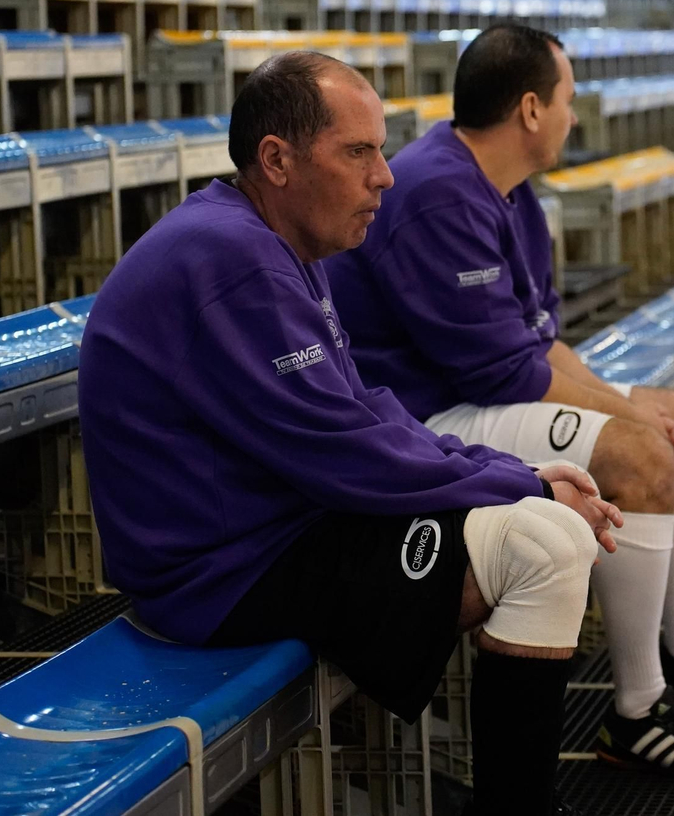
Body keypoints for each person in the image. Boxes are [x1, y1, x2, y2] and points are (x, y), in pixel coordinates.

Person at [78, 51, 622, 816]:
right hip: (220, 575)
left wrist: (502, 467)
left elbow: (365, 407)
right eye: (358, 152)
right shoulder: (231, 259)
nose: (385, 176)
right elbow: (345, 453)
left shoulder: (277, 242)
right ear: (277, 160)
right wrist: (523, 480)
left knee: (541, 530)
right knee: (544, 545)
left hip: (282, 526)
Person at [324, 24, 674, 779]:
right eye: (568, 99)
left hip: (480, 394)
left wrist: (635, 406)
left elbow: (542, 342)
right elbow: (502, 373)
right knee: (641, 447)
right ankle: (638, 711)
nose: (575, 116)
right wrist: (629, 422)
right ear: (531, 110)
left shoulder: (509, 192)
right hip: (426, 422)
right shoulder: (435, 192)